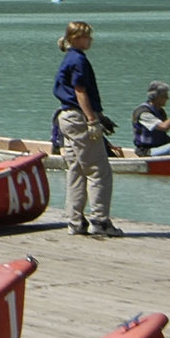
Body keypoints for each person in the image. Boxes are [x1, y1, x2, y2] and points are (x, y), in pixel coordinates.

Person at [53, 20, 121, 238]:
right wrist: (92, 120)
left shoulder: (69, 58)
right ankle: (100, 221)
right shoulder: (79, 60)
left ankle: (75, 221)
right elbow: (80, 90)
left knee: (76, 170)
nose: (90, 39)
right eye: (87, 36)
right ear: (76, 39)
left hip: (66, 118)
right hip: (80, 118)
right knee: (98, 170)